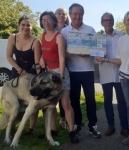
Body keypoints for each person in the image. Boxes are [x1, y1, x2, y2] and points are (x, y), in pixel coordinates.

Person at [96, 11, 129, 149]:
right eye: (128, 19)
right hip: (124, 78)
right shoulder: (121, 39)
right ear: (125, 22)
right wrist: (105, 59)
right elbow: (120, 60)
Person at [61, 3, 101, 138]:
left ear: (83, 15)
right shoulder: (64, 32)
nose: (77, 16)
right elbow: (61, 50)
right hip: (72, 71)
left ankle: (93, 125)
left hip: (88, 70)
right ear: (71, 15)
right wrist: (65, 53)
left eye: (80, 14)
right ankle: (77, 123)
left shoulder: (90, 30)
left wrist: (88, 53)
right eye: (75, 14)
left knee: (90, 99)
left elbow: (98, 51)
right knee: (74, 99)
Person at [39, 11, 79, 143]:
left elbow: (62, 58)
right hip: (49, 72)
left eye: (49, 20)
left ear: (54, 21)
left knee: (65, 103)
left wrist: (61, 76)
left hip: (60, 72)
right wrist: (41, 59)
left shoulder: (59, 36)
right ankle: (52, 130)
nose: (46, 22)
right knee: (51, 103)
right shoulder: (42, 35)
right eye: (44, 20)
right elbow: (43, 52)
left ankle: (72, 131)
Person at [95, 12, 129, 136]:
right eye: (105, 20)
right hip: (106, 74)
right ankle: (111, 126)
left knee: (122, 101)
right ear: (102, 23)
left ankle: (125, 127)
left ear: (113, 21)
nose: (108, 22)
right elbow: (94, 57)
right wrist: (98, 58)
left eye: (110, 20)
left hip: (121, 74)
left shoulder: (121, 35)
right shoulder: (98, 38)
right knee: (108, 101)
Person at [6, 15, 41, 134]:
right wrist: (19, 69)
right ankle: (12, 125)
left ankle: (31, 128)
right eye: (23, 25)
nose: (26, 27)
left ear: (31, 27)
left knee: (33, 101)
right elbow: (9, 56)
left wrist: (38, 78)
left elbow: (37, 63)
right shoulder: (12, 37)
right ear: (19, 26)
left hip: (30, 74)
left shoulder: (35, 42)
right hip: (17, 71)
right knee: (15, 100)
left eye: (28, 25)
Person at [55, 8, 70, 129]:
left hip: (68, 64)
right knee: (55, 92)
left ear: (66, 16)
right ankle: (52, 123)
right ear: (55, 16)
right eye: (59, 13)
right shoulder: (48, 29)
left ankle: (63, 118)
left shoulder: (69, 30)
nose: (61, 15)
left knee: (65, 93)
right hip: (53, 65)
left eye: (63, 14)